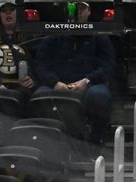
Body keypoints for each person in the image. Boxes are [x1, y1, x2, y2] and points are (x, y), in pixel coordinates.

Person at [34, 1, 115, 144]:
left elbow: (107, 66)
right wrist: (54, 82)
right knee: (40, 96)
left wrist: (87, 81)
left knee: (99, 95)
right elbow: (41, 64)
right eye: (74, 7)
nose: (78, 11)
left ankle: (96, 142)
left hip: (89, 85)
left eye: (82, 7)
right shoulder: (54, 35)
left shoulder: (99, 35)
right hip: (58, 84)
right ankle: (45, 143)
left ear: (89, 11)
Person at [0, 0, 36, 94]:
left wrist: (33, 79)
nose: (8, 13)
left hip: (23, 88)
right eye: (4, 10)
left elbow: (36, 63)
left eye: (12, 9)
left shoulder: (30, 38)